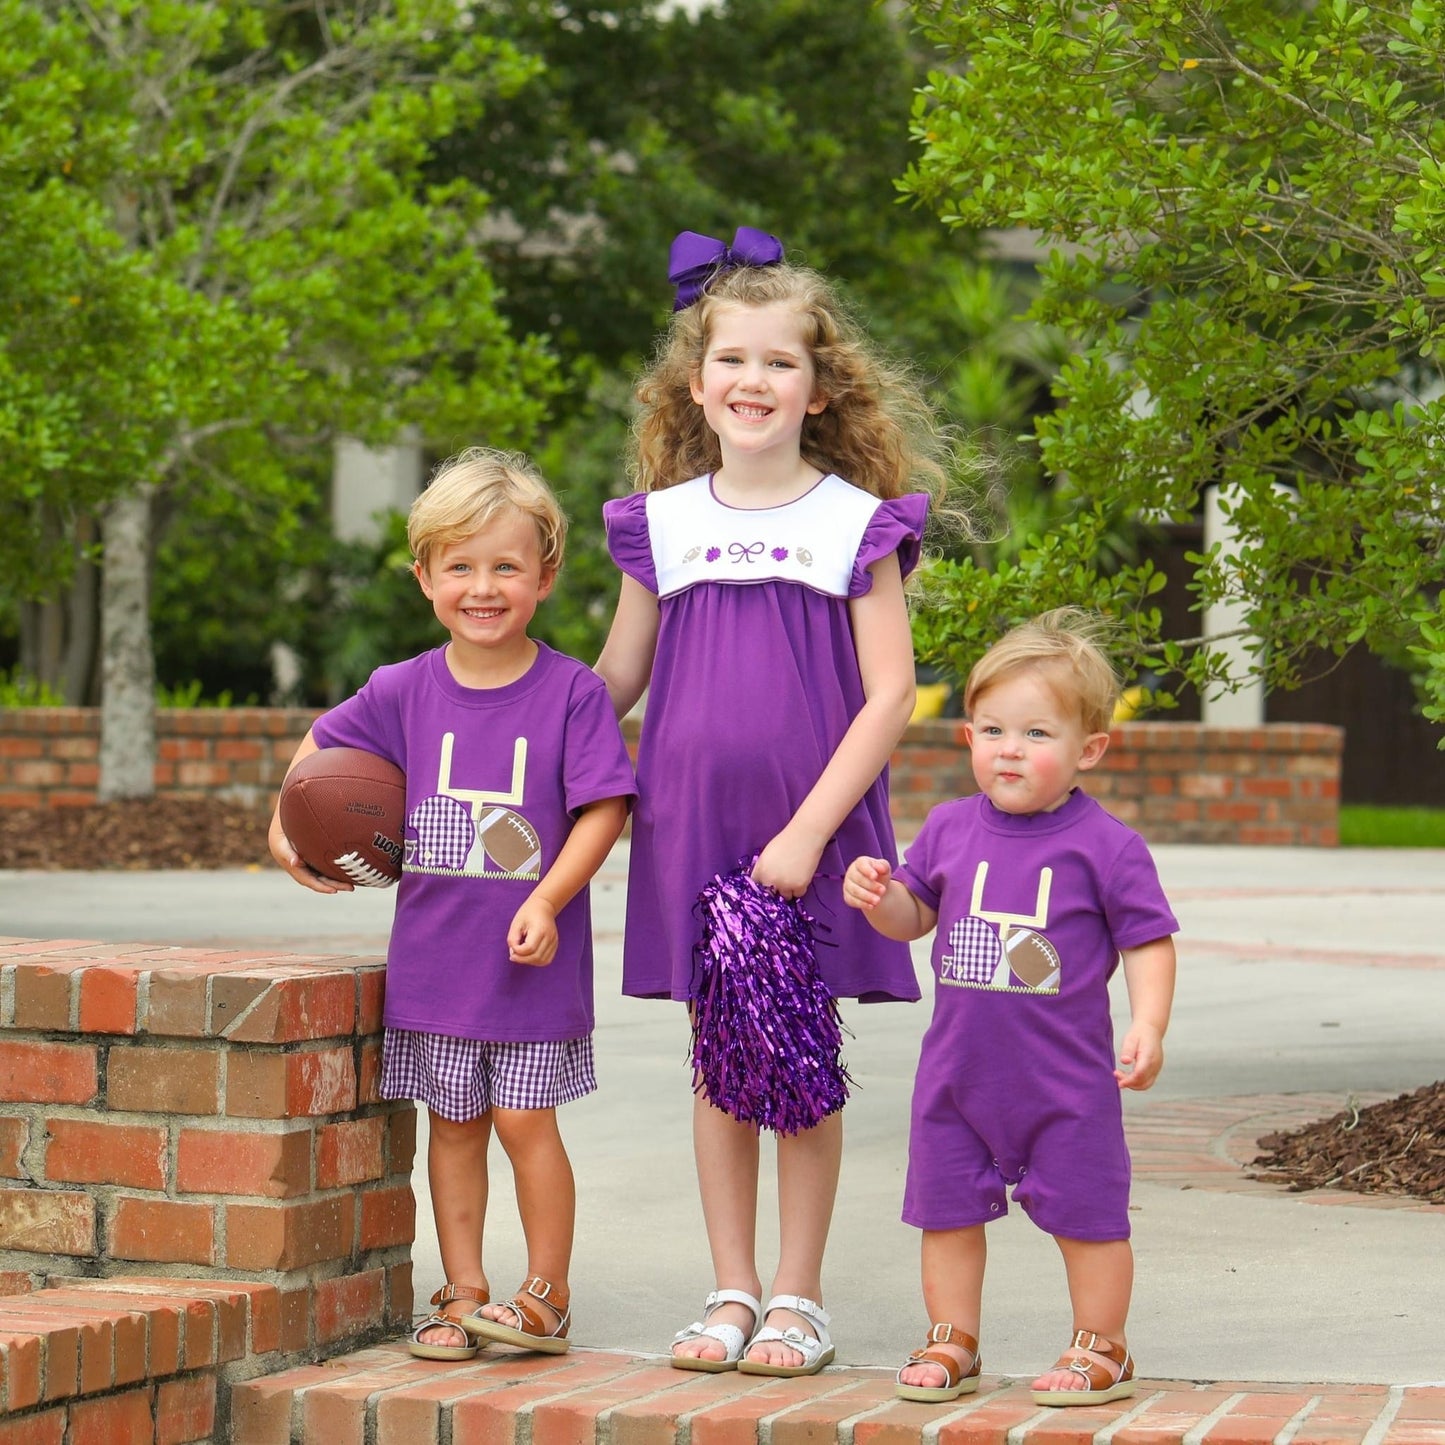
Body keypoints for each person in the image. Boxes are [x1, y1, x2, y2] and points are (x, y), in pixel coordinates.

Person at [594, 226, 950, 1377]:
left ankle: (799, 1294)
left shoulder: (853, 520)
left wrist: (805, 833)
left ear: (820, 384)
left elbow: (890, 691)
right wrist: (487, 713)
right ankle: (730, 1285)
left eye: (779, 361)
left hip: (811, 832)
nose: (753, 380)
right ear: (695, 383)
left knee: (795, 1057)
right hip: (688, 827)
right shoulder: (663, 521)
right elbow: (612, 682)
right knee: (717, 1051)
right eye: (731, 359)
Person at [269, 448, 635, 1361]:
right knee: (455, 1126)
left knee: (522, 1124)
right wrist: (285, 830)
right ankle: (462, 1286)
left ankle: (543, 1291)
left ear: (544, 576)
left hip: (525, 963)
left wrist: (550, 897)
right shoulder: (401, 688)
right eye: (460, 566)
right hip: (433, 965)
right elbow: (317, 752)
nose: (482, 586)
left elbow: (605, 807)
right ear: (425, 574)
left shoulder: (572, 693)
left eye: (505, 566)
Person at [843, 607, 1178, 1406]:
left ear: (1087, 749)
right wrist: (877, 899)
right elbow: (915, 916)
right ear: (967, 739)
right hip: (959, 1076)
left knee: (1088, 1214)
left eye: (1035, 733)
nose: (1010, 750)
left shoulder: (1106, 845)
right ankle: (952, 1336)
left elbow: (1148, 939)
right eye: (992, 730)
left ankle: (1103, 1342)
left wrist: (1147, 1022)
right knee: (946, 1210)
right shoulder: (952, 827)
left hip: (1063, 1084)